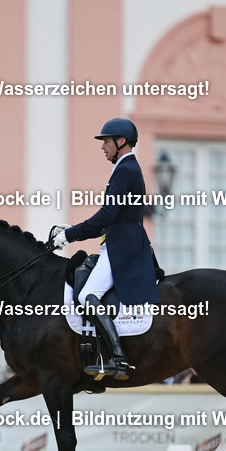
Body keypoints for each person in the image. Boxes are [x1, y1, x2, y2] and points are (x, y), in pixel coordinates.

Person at [50, 117, 159, 380]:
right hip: (120, 241)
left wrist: (70, 236)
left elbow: (108, 214)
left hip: (123, 248)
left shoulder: (125, 170)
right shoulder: (126, 168)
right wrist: (71, 228)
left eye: (106, 142)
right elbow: (112, 218)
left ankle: (117, 357)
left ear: (121, 142)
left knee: (88, 295)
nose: (103, 147)